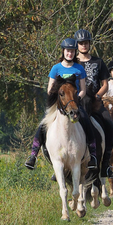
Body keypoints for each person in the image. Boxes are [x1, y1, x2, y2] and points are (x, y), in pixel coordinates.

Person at [25, 38, 98, 170]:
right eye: (67, 51)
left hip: (74, 103)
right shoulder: (56, 68)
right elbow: (49, 89)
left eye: (72, 51)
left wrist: (77, 99)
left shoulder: (79, 69)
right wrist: (58, 98)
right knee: (43, 125)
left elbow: (83, 90)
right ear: (63, 51)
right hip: (58, 105)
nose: (69, 53)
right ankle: (33, 155)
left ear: (75, 52)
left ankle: (93, 156)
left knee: (87, 122)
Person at [74, 29, 113, 176]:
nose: (84, 45)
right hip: (75, 102)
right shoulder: (72, 62)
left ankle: (105, 164)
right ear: (77, 45)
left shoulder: (98, 62)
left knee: (109, 124)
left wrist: (98, 97)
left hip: (95, 102)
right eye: (81, 43)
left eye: (86, 43)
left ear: (89, 44)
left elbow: (105, 85)